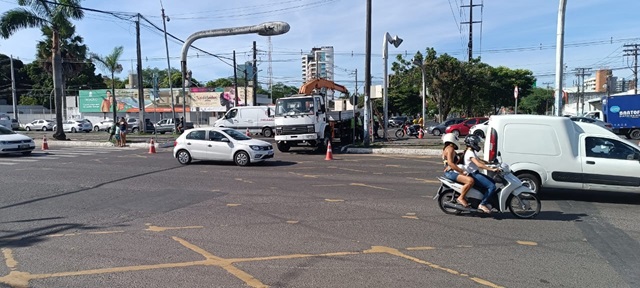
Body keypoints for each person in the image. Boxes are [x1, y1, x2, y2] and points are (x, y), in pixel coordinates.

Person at [462, 135, 500, 213]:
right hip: (473, 175)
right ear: (472, 143)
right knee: (492, 187)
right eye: (476, 143)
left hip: (476, 173)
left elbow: (480, 161)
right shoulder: (470, 153)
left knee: (493, 182)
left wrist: (491, 163)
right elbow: (479, 164)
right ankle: (482, 204)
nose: (477, 144)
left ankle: (486, 200)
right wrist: (492, 169)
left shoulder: (472, 152)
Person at [441, 133, 474, 207]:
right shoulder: (450, 149)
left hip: (450, 171)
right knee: (470, 181)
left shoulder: (446, 149)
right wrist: (461, 171)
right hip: (451, 172)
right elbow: (451, 163)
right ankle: (461, 198)